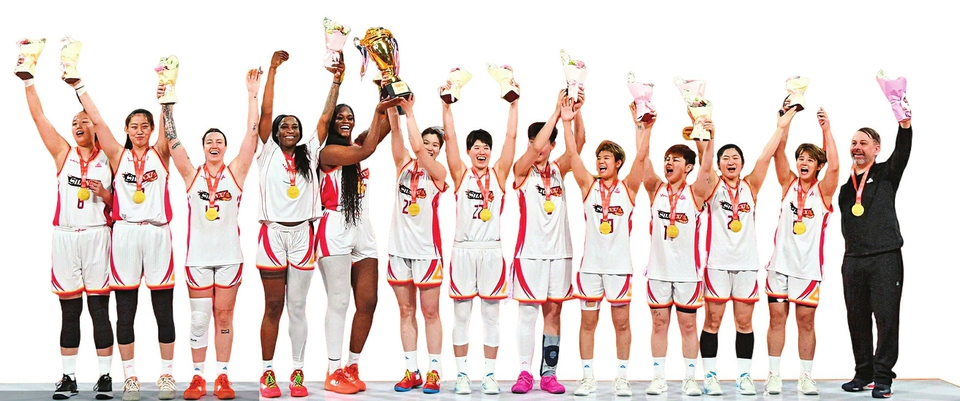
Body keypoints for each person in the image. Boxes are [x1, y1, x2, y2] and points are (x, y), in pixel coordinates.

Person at [65, 64, 176, 400]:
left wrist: (167, 96)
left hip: (157, 235)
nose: (139, 131)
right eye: (134, 126)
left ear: (152, 129)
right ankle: (130, 378)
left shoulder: (161, 153)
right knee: (125, 312)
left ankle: (167, 375)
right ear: (125, 129)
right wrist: (79, 86)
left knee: (163, 311)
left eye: (145, 126)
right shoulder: (117, 154)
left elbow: (169, 127)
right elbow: (97, 120)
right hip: (125, 235)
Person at [164, 69, 262, 400]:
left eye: (219, 141)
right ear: (203, 148)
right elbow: (173, 143)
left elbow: (252, 135)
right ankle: (196, 378)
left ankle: (222, 376)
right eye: (209, 141)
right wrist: (167, 105)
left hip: (230, 258)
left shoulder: (236, 173)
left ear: (225, 147)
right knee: (198, 318)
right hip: (198, 259)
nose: (214, 145)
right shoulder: (191, 175)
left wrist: (252, 94)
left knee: (224, 316)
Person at [22, 62, 116, 401]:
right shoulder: (63, 153)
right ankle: (69, 377)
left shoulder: (110, 158)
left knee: (99, 310)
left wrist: (105, 194)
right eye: (74, 122)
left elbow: (118, 203)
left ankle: (105, 377)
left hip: (97, 236)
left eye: (84, 121)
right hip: (65, 237)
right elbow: (39, 118)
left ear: (96, 128)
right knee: (69, 311)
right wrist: (29, 82)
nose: (78, 124)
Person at [699, 108, 798, 396]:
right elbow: (704, 160)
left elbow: (766, 156)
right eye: (725, 158)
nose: (731, 161)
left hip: (746, 265)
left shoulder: (750, 186)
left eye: (735, 158)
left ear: (742, 164)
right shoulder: (712, 185)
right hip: (717, 265)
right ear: (719, 165)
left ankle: (744, 376)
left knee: (744, 322)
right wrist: (707, 134)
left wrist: (781, 126)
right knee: (713, 321)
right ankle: (710, 377)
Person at [314, 60, 399, 395]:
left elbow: (383, 129)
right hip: (334, 226)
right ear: (333, 122)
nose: (346, 120)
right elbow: (369, 148)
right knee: (339, 302)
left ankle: (351, 365)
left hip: (362, 226)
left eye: (350, 116)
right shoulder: (328, 153)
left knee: (368, 301)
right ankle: (332, 369)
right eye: (341, 117)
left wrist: (389, 90)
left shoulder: (357, 144)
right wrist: (379, 108)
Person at [441, 74, 519, 395]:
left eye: (486, 147)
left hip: (491, 251)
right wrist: (445, 105)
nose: (482, 151)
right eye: (477, 147)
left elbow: (511, 137)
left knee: (491, 316)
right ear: (469, 152)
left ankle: (489, 375)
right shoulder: (460, 173)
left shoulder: (499, 174)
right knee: (461, 315)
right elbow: (449, 137)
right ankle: (461, 375)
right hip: (463, 250)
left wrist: (514, 104)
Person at [566, 98, 646, 397]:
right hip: (590, 268)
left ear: (618, 163)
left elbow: (642, 158)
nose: (601, 161)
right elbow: (572, 154)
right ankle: (587, 378)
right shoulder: (588, 185)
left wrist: (640, 125)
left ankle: (621, 378)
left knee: (621, 324)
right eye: (599, 157)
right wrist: (568, 119)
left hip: (619, 268)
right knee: (588, 323)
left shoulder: (629, 187)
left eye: (607, 157)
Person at [509, 91, 585, 395]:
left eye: (543, 143)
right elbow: (534, 148)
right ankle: (524, 372)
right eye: (533, 142)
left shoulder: (559, 169)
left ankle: (549, 374)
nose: (538, 147)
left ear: (553, 146)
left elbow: (579, 142)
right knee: (528, 313)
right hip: (530, 254)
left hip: (560, 253)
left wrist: (574, 114)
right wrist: (555, 112)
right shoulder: (521, 169)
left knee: (554, 314)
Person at [254, 50, 320, 398]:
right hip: (273, 235)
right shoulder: (266, 152)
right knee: (273, 307)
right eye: (284, 126)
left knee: (297, 307)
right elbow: (266, 112)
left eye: (294, 126)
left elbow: (325, 117)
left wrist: (335, 80)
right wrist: (273, 71)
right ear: (276, 133)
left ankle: (297, 371)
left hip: (303, 235)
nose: (289, 130)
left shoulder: (311, 154)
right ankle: (267, 373)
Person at [838, 95, 912, 399]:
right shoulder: (845, 188)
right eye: (854, 143)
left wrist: (904, 125)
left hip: (885, 258)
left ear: (876, 149)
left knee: (886, 319)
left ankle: (883, 378)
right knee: (856, 320)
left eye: (864, 143)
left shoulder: (886, 174)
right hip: (853, 260)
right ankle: (863, 373)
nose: (857, 147)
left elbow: (903, 152)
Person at [635, 108, 712, 397]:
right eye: (667, 159)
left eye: (675, 159)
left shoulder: (696, 192)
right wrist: (644, 128)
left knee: (688, 326)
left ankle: (690, 379)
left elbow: (708, 167)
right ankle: (658, 378)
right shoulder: (655, 188)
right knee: (659, 324)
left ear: (688, 167)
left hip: (688, 274)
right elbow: (642, 159)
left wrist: (706, 133)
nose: (669, 163)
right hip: (658, 271)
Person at [765, 106, 840, 396]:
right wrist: (785, 122)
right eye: (801, 158)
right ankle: (773, 375)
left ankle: (806, 376)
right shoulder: (787, 184)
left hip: (807, 270)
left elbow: (835, 167)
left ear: (818, 166)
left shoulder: (824, 191)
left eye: (810, 159)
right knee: (776, 320)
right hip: (779, 267)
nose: (803, 162)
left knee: (806, 322)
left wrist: (826, 130)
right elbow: (778, 154)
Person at [385, 95, 448, 394]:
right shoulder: (402, 164)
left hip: (427, 253)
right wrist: (389, 102)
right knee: (405, 311)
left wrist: (410, 112)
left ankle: (435, 371)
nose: (430, 147)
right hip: (399, 250)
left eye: (436, 144)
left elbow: (419, 151)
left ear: (440, 150)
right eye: (426, 141)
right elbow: (396, 133)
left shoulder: (439, 173)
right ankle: (412, 370)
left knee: (431, 313)